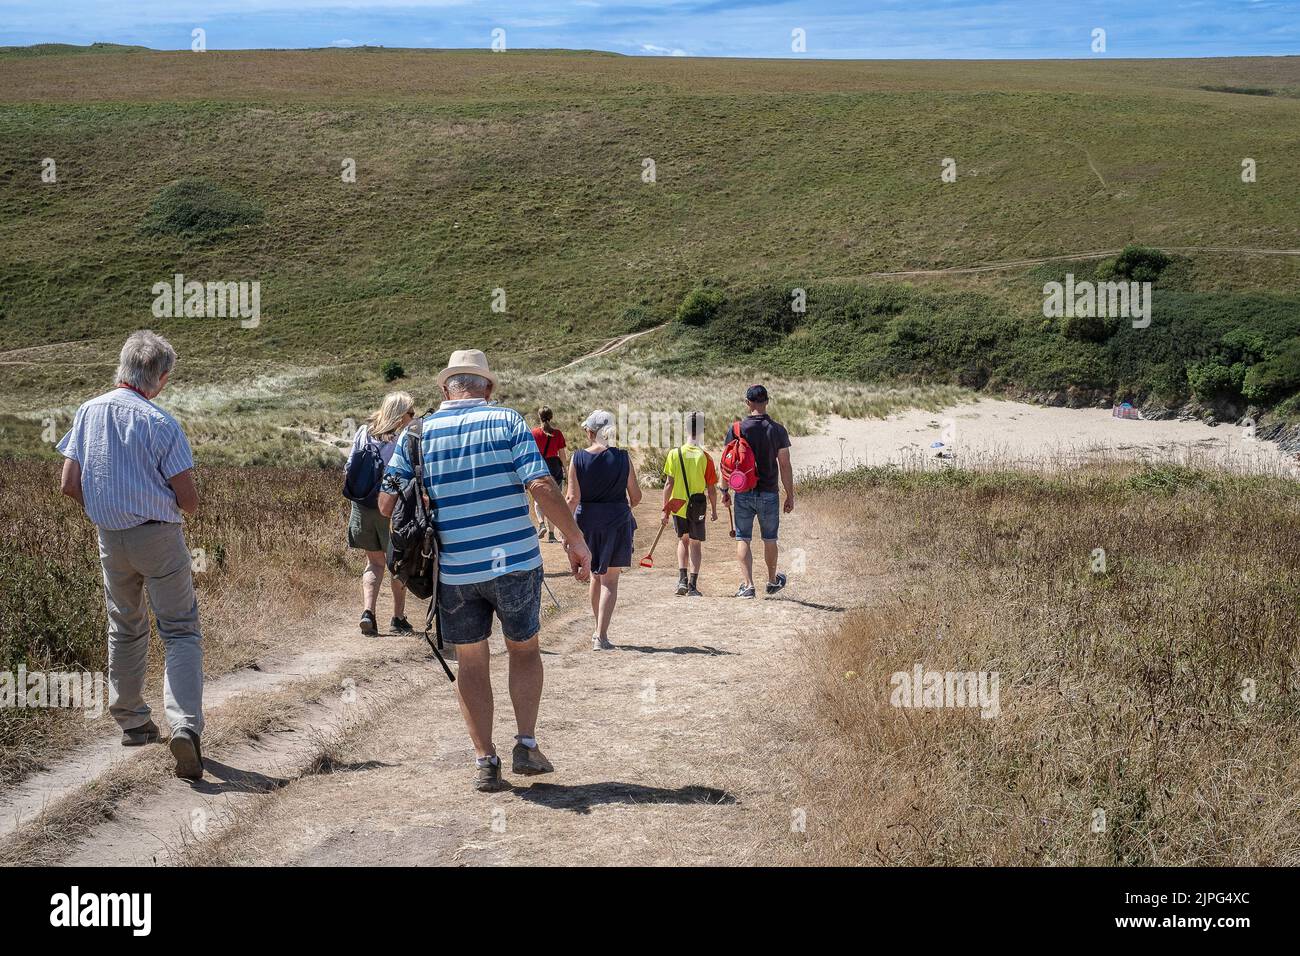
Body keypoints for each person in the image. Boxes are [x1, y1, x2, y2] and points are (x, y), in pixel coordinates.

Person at [378, 350, 592, 793]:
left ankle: (485, 761)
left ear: (444, 390)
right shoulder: (508, 422)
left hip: (455, 569)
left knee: (472, 663)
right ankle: (526, 746)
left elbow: (386, 504)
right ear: (488, 388)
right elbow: (538, 484)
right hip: (514, 561)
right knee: (524, 649)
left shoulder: (416, 433)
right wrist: (575, 540)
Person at [56, 330, 206, 781]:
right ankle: (184, 725)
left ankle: (133, 720)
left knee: (123, 626)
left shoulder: (88, 411)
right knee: (179, 630)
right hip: (157, 535)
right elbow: (189, 500)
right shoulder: (161, 423)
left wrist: (106, 510)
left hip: (109, 536)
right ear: (158, 378)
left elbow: (68, 483)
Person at [565, 409, 641, 649]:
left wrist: (566, 531)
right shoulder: (622, 457)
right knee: (610, 580)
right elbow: (636, 496)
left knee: (595, 578)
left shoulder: (577, 458)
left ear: (590, 432)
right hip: (617, 519)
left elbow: (571, 498)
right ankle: (601, 635)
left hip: (587, 521)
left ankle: (598, 629)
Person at [345, 391, 415, 636]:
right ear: (401, 414)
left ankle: (368, 613)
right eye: (411, 412)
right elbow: (402, 476)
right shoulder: (403, 438)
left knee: (373, 563)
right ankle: (397, 618)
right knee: (398, 565)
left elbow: (348, 467)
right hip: (391, 510)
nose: (413, 417)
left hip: (362, 507)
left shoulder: (363, 431)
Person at [722, 384, 794, 599]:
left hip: (743, 491)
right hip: (769, 492)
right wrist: (790, 494)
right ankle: (772, 581)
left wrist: (724, 490)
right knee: (770, 539)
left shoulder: (737, 429)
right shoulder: (778, 429)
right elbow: (785, 464)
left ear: (748, 403)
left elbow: (726, 462)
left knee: (743, 538)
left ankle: (748, 585)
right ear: (767, 402)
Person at [662, 410, 717, 597]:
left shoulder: (674, 454)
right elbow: (711, 488)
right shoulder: (705, 457)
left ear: (685, 428)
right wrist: (714, 510)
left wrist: (665, 510)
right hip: (698, 506)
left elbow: (668, 484)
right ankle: (693, 585)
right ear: (702, 431)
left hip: (678, 506)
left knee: (682, 541)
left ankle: (681, 580)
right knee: (695, 544)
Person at [530, 406, 567, 543]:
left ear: (539, 417)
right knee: (554, 501)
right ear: (551, 417)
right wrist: (566, 472)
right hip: (555, 468)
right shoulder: (558, 434)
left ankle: (541, 523)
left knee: (537, 499)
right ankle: (552, 535)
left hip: (539, 467)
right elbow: (563, 456)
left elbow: (531, 454)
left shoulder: (533, 433)